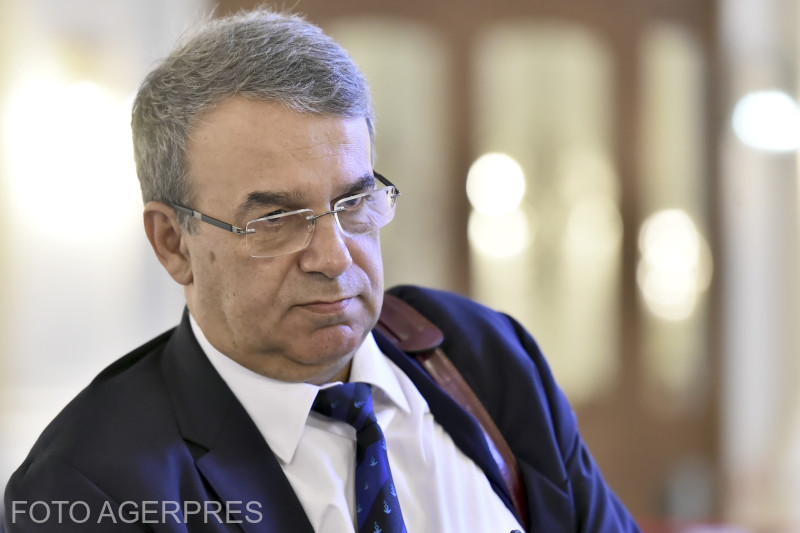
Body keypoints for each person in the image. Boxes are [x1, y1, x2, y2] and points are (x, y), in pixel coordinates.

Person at [3, 7, 641, 532]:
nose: (334, 257)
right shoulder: (93, 486)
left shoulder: (484, 358)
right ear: (173, 243)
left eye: (354, 203)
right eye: (276, 219)